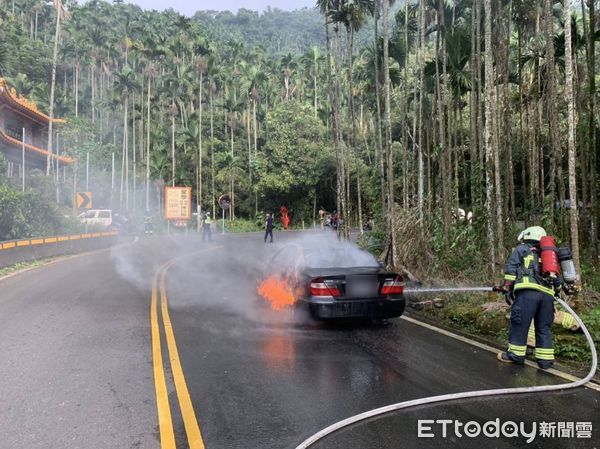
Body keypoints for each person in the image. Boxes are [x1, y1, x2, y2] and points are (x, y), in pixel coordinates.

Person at [497, 226, 560, 369]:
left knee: (520, 324)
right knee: (544, 327)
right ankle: (545, 361)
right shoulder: (549, 255)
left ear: (526, 236)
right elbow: (557, 279)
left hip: (528, 295)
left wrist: (507, 287)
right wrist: (557, 290)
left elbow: (511, 269)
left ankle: (516, 355)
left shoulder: (522, 249)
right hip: (547, 297)